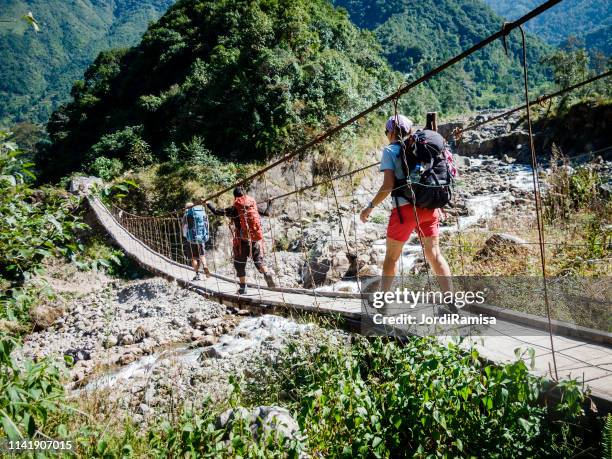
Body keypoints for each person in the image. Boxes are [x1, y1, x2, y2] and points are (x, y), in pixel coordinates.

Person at [360, 114, 455, 312]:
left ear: (391, 132)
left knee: (392, 258)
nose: (387, 136)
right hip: (430, 208)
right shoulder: (421, 147)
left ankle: (383, 304)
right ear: (410, 132)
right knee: (435, 255)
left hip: (405, 211)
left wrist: (370, 206)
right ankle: (451, 303)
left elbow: (388, 186)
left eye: (387, 132)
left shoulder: (390, 150)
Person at [207, 187, 276, 294]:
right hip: (254, 239)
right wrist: (270, 202)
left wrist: (208, 203)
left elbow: (216, 211)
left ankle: (243, 288)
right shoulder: (252, 206)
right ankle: (266, 273)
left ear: (235, 197)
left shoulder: (234, 208)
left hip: (241, 241)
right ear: (245, 195)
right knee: (258, 260)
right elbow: (267, 213)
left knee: (239, 263)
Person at [182, 202, 211, 281]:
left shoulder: (186, 215)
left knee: (193, 258)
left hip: (191, 239)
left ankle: (197, 274)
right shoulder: (202, 213)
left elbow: (184, 228)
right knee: (202, 255)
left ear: (186, 208)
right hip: (201, 238)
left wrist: (186, 236)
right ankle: (205, 265)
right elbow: (206, 224)